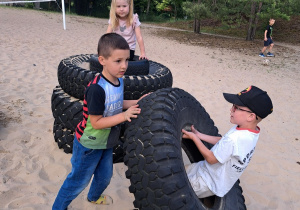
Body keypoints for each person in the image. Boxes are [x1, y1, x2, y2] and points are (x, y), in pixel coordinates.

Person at [52, 33, 149, 209]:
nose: (124, 66)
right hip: (89, 145)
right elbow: (96, 122)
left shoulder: (119, 81)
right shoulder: (96, 89)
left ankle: (94, 197)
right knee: (77, 181)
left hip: (106, 142)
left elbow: (118, 103)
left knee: (105, 176)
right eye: (118, 61)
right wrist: (124, 116)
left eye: (127, 60)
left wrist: (139, 101)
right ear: (102, 60)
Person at [182, 86, 273, 198]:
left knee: (176, 190)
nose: (231, 109)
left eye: (236, 108)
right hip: (206, 170)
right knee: (180, 172)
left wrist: (194, 139)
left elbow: (211, 159)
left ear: (250, 116)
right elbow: (223, 141)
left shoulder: (235, 139)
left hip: (207, 181)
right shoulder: (250, 131)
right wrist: (200, 135)